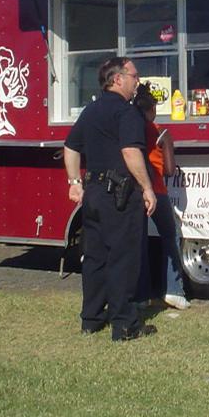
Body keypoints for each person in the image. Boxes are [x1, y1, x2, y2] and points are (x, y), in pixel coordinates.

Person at [63, 56, 158, 342]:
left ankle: (91, 320)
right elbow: (131, 153)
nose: (137, 81)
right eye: (133, 75)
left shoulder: (90, 110)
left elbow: (70, 147)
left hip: (92, 194)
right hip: (120, 194)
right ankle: (124, 324)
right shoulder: (126, 113)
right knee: (123, 259)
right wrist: (147, 188)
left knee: (95, 258)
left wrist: (74, 183)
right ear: (117, 79)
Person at [133, 83, 190, 310]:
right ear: (153, 109)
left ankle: (142, 294)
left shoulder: (131, 129)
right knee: (171, 236)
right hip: (156, 189)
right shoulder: (160, 132)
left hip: (133, 191)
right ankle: (173, 290)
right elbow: (169, 170)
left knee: (138, 243)